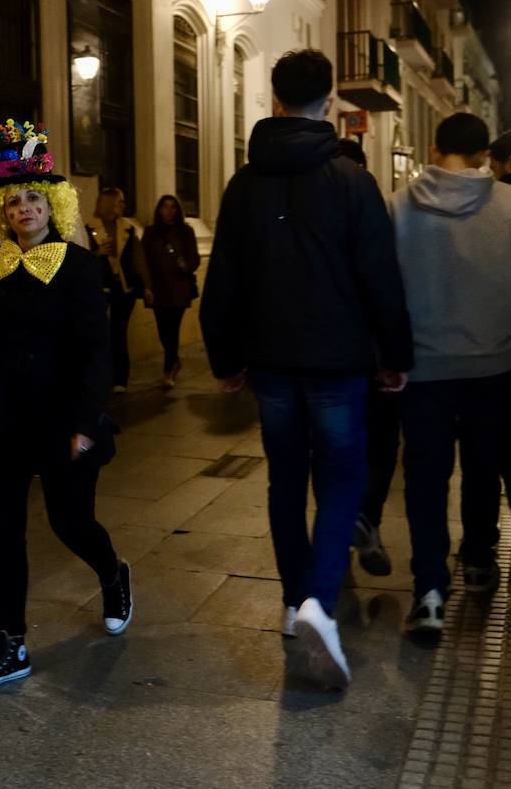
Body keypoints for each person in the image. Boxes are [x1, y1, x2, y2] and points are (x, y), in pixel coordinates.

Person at [200, 49, 412, 689]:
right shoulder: (351, 182)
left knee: (285, 479)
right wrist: (395, 355)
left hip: (271, 363)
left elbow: (224, 278)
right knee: (343, 477)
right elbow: (380, 276)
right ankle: (321, 594)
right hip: (338, 361)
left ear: (276, 99)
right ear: (330, 101)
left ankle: (296, 602)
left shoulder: (245, 184)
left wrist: (225, 359)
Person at [0, 120, 130, 690]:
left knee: (70, 522)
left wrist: (85, 421)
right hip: (2, 421)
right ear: (1, 211)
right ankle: (12, 645)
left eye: (33, 198)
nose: (24, 208)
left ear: (52, 204)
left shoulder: (78, 265)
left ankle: (113, 573)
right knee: (4, 533)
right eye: (13, 201)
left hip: (60, 420)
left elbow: (96, 350)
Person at [388, 113, 511, 631]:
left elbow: (383, 289)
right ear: (484, 154)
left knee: (425, 479)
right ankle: (478, 561)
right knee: (483, 469)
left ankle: (430, 591)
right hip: (494, 366)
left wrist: (389, 357)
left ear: (435, 148)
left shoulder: (397, 206)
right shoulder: (509, 206)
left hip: (423, 371)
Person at [333, 140, 400, 578]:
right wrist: (396, 353)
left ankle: (339, 530)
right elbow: (387, 281)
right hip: (370, 355)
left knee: (333, 448)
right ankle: (366, 517)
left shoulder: (309, 206)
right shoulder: (374, 202)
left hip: (326, 357)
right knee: (381, 443)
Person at [87, 188, 149, 393]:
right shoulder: (89, 228)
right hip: (100, 287)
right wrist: (97, 253)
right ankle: (101, 375)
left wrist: (147, 285)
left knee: (119, 333)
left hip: (123, 287)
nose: (123, 205)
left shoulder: (128, 229)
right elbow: (80, 258)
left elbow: (139, 259)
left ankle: (120, 378)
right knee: (100, 333)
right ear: (108, 204)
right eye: (119, 202)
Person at [141, 194, 200, 389]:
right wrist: (146, 285)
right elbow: (144, 260)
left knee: (172, 329)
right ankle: (174, 359)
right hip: (158, 288)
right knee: (163, 330)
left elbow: (194, 258)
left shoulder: (186, 231)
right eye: (165, 207)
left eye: (173, 207)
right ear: (159, 210)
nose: (169, 211)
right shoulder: (151, 232)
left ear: (178, 210)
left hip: (178, 288)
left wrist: (187, 265)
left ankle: (168, 370)